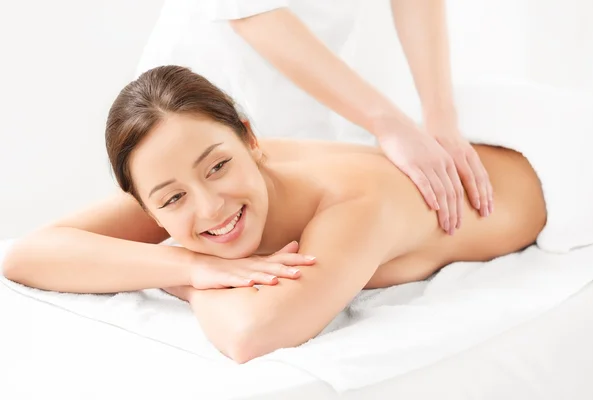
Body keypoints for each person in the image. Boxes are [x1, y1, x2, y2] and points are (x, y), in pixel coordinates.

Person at [2, 66, 547, 364]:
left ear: (251, 140)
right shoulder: (185, 175)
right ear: (147, 206)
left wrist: (188, 275)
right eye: (170, 200)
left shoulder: (354, 205)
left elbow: (252, 335)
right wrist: (190, 267)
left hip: (555, 173)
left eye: (218, 166)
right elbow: (28, 255)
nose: (209, 206)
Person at [136, 0, 495, 235]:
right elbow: (250, 12)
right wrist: (390, 123)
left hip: (310, 88)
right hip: (197, 95)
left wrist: (440, 115)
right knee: (201, 222)